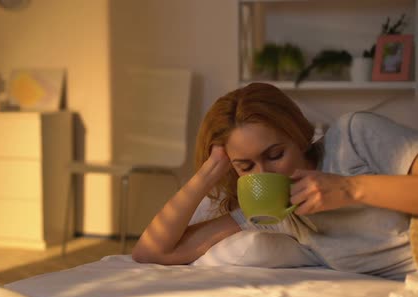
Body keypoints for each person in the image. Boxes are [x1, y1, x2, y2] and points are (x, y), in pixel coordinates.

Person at [131, 82, 418, 280]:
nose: (263, 175)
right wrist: (211, 169)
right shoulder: (275, 215)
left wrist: (349, 189)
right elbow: (152, 250)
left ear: (298, 133)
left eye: (275, 154)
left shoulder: (352, 138)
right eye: (246, 166)